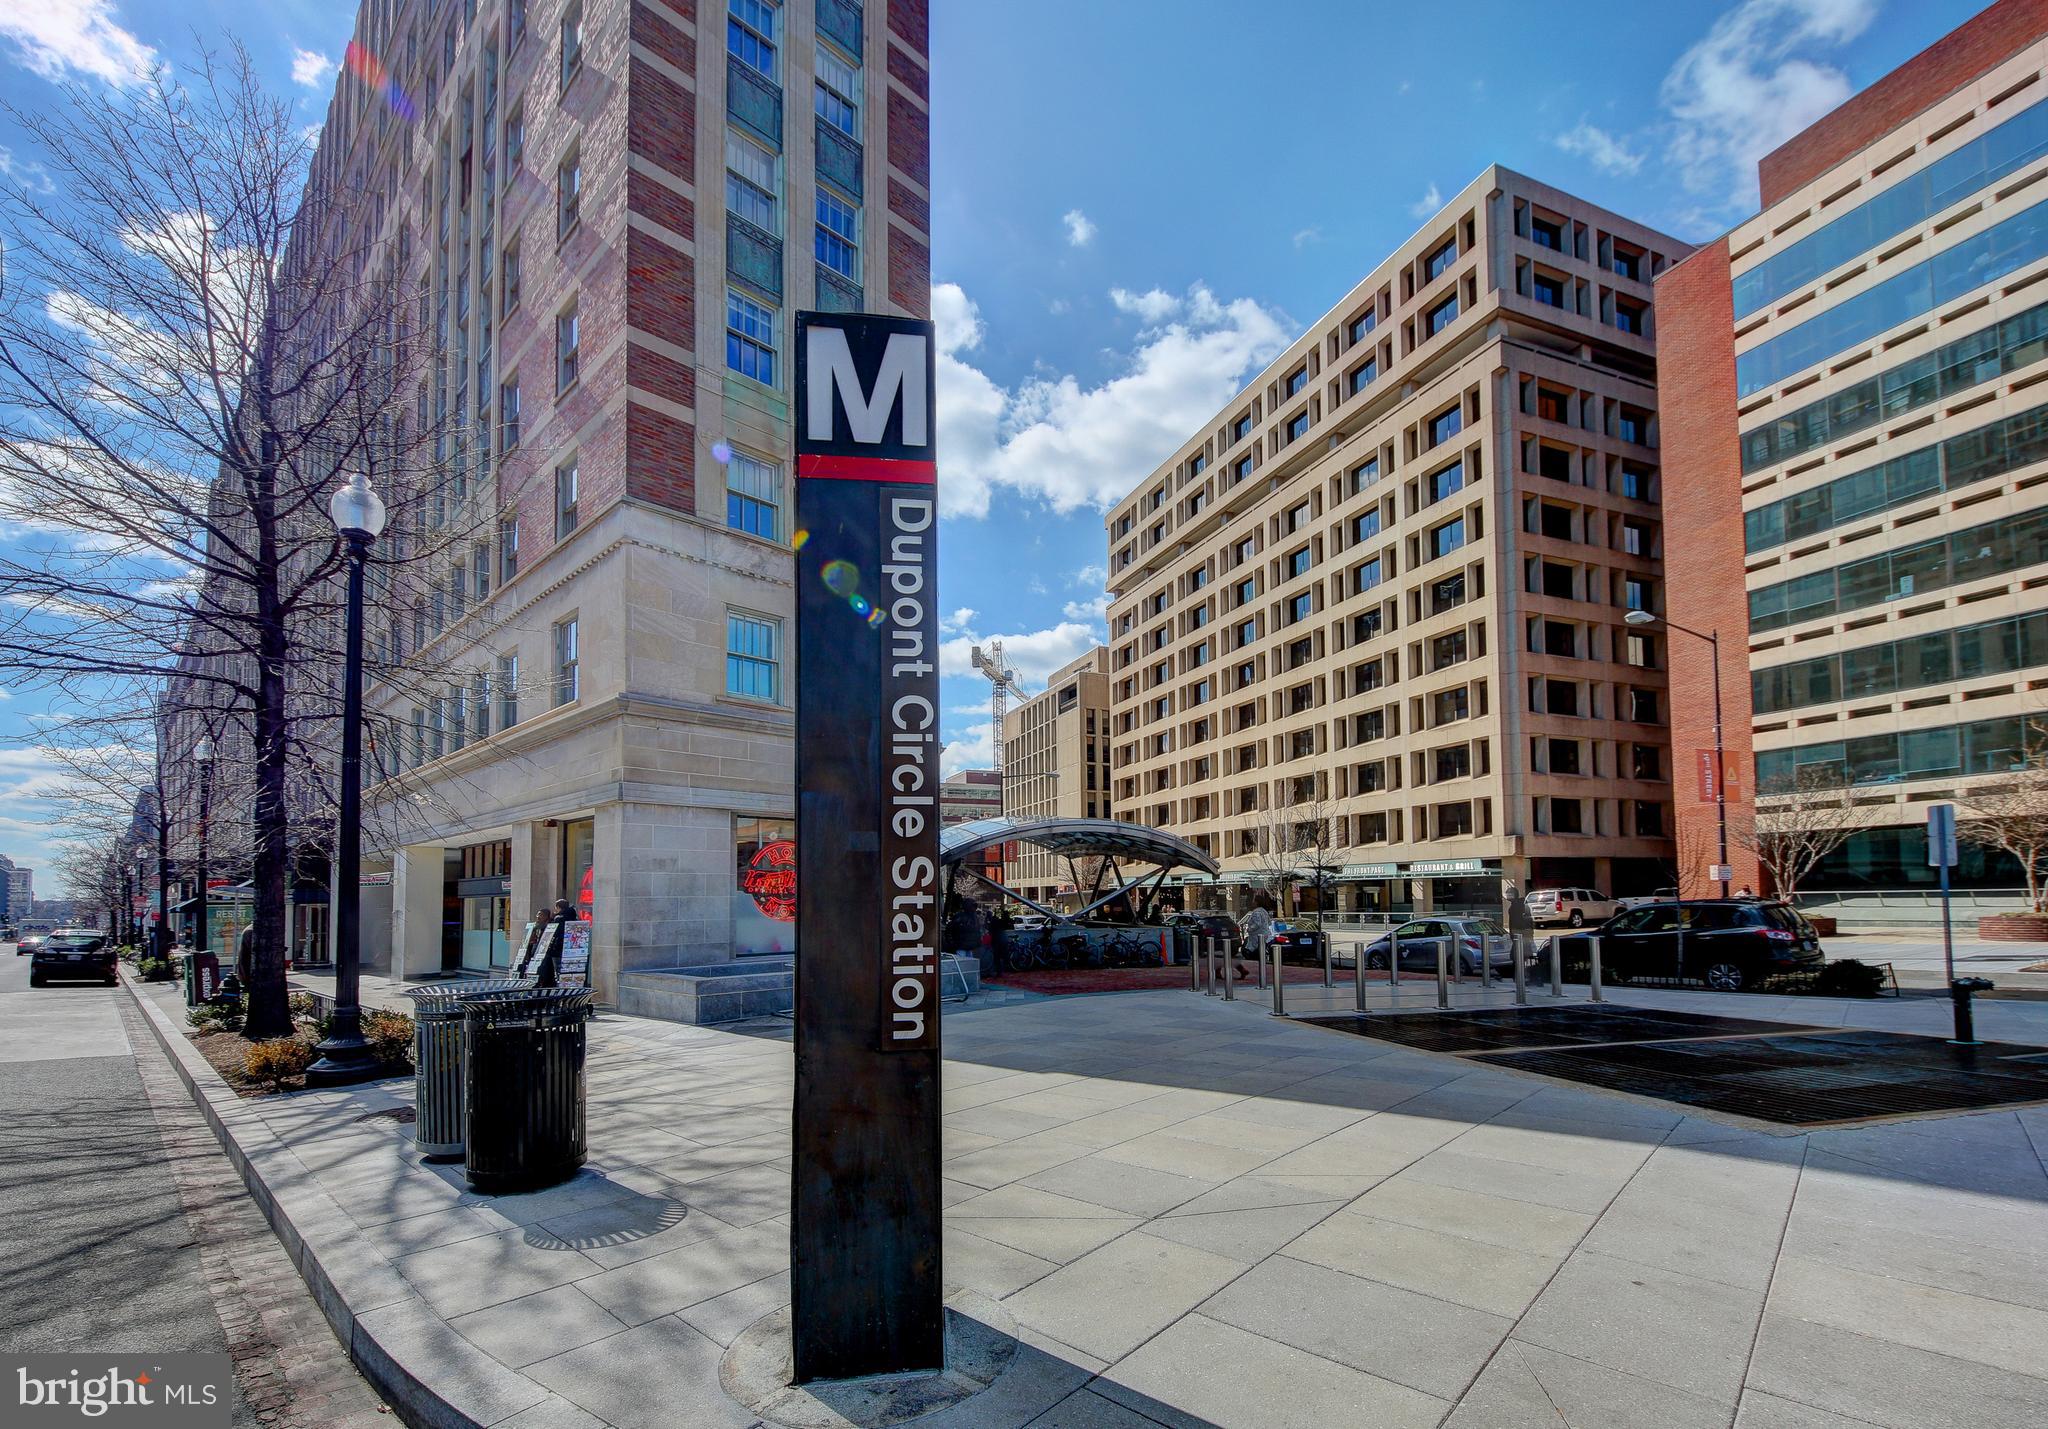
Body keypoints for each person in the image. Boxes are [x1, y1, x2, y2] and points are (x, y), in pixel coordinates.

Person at [1237, 892, 1274, 982]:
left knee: (1252, 952)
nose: (1252, 902)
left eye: (1254, 901)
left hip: (1256, 937)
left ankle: (1260, 973)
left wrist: (1249, 929)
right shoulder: (1264, 911)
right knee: (1260, 953)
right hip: (1265, 935)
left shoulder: (1256, 912)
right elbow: (1269, 922)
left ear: (1257, 902)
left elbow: (1257, 924)